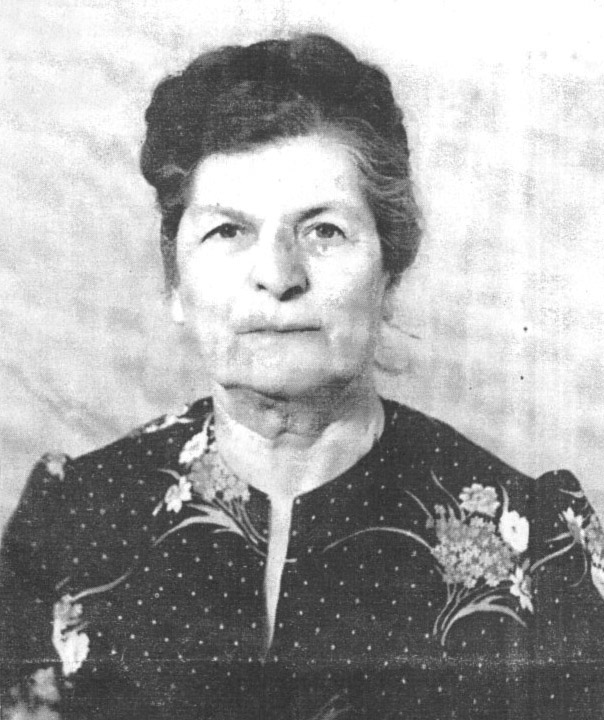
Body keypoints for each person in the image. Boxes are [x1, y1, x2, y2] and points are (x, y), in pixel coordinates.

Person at [1, 33, 603, 720]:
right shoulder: (70, 519)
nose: (279, 276)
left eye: (323, 231)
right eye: (228, 232)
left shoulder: (539, 550)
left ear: (389, 272)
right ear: (175, 283)